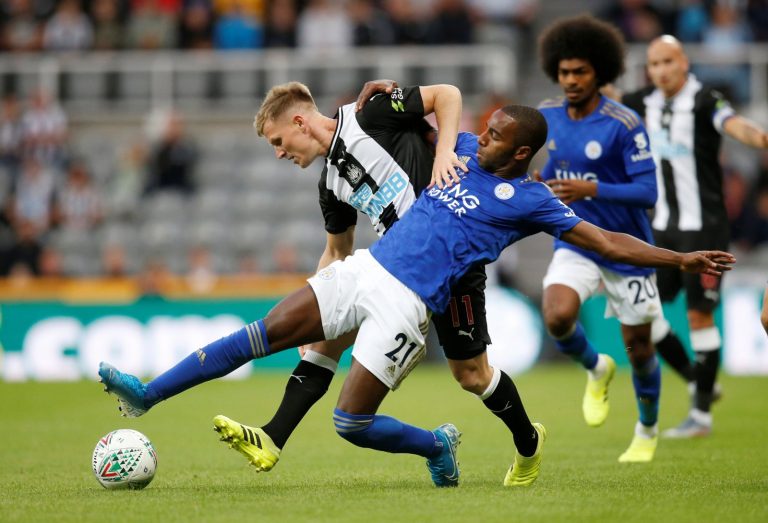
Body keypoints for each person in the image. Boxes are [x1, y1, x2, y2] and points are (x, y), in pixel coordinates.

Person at [98, 104, 734, 488]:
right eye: (480, 131)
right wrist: (376, 93)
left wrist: (680, 256)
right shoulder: (456, 150)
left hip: (409, 307)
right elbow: (429, 106)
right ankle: (146, 395)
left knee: (354, 422)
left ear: (517, 152)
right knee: (260, 334)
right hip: (367, 269)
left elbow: (610, 244)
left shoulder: (532, 199)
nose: (477, 140)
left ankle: (438, 445)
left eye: (492, 137)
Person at [244, 79, 543, 488]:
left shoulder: (370, 114)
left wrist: (443, 155)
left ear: (298, 121)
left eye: (278, 141)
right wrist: (316, 303)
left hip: (453, 263)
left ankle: (528, 440)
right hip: (396, 275)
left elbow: (448, 94)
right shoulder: (329, 184)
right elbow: (336, 251)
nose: (279, 153)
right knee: (326, 340)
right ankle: (272, 436)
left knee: (472, 375)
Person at [621, 35, 768, 438]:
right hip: (662, 228)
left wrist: (761, 138)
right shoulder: (640, 102)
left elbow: (734, 124)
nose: (662, 70)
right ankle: (697, 378)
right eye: (654, 64)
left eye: (668, 61)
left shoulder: (706, 100)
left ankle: (700, 416)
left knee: (699, 314)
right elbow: (607, 106)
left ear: (684, 62)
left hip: (706, 228)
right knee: (641, 311)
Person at [537, 15, 667, 462]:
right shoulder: (549, 116)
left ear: (600, 73)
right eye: (565, 71)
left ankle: (647, 429)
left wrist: (591, 189)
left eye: (581, 72)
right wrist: (540, 183)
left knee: (641, 347)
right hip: (577, 241)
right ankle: (596, 367)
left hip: (628, 249)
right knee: (556, 316)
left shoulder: (623, 122)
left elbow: (648, 192)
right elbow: (552, 175)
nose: (571, 80)